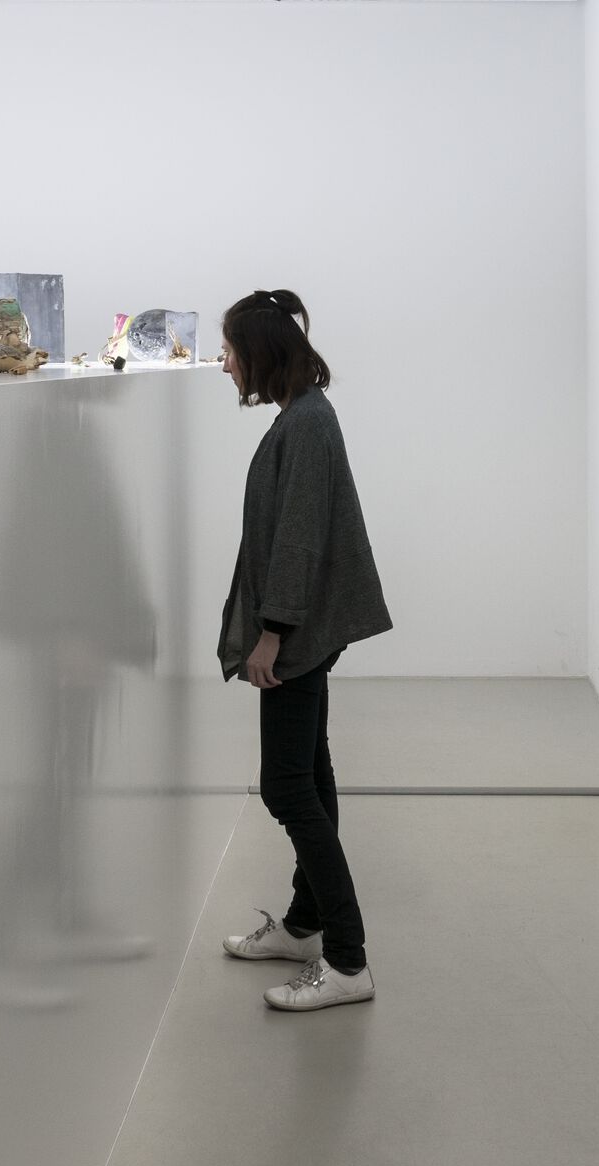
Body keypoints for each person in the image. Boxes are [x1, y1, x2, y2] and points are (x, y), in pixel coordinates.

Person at [214, 289, 393, 1012]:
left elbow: (298, 540)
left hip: (297, 632)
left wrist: (272, 633)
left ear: (260, 353)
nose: (223, 365)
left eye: (229, 351)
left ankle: (347, 963)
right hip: (306, 628)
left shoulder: (309, 426)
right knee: (310, 776)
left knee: (289, 788)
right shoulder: (304, 416)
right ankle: (303, 925)